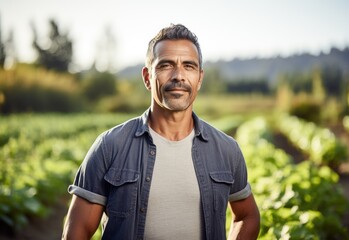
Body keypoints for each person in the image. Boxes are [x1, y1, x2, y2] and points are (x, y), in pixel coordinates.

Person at [62, 24, 260, 240]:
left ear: (200, 78)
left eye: (189, 66)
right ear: (147, 77)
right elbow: (77, 230)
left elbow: (247, 216)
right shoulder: (110, 146)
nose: (178, 76)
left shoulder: (226, 149)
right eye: (166, 65)